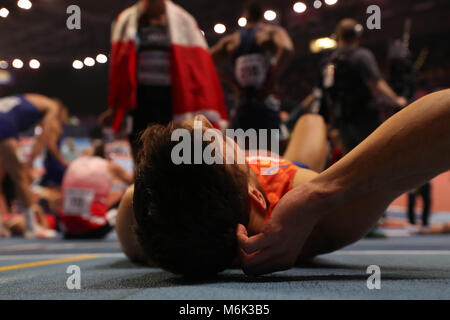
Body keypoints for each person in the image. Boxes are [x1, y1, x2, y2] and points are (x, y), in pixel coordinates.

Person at [115, 89, 450, 277]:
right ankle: (311, 105)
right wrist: (319, 195)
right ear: (258, 199)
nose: (204, 120)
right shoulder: (332, 217)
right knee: (313, 119)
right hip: (292, 173)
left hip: (233, 188)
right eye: (214, 137)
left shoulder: (142, 211)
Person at [105, 0, 228, 159]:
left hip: (170, 100)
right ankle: (141, 182)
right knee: (140, 153)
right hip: (140, 101)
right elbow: (120, 68)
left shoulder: (183, 21)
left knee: (170, 153)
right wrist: (114, 107)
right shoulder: (128, 20)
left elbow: (198, 66)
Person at [320, 18, 408, 153]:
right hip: (365, 117)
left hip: (343, 121)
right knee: (375, 154)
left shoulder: (329, 62)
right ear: (357, 35)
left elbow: (327, 92)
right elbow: (376, 83)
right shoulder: (362, 55)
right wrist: (396, 100)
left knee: (352, 160)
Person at [210, 1, 294, 140]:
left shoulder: (232, 40)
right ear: (262, 16)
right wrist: (271, 78)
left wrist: (232, 81)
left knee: (242, 153)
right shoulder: (269, 33)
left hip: (242, 103)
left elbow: (205, 60)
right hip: (265, 101)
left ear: (245, 16)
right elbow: (286, 49)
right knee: (271, 153)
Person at [0, 94, 65, 238]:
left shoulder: (28, 99)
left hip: (4, 121)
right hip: (4, 125)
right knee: (20, 177)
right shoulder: (52, 107)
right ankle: (32, 227)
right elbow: (42, 139)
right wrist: (29, 164)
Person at [59, 140, 133, 239]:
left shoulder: (76, 162)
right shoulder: (109, 165)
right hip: (94, 228)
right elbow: (134, 180)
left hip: (66, 227)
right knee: (128, 195)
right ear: (108, 157)